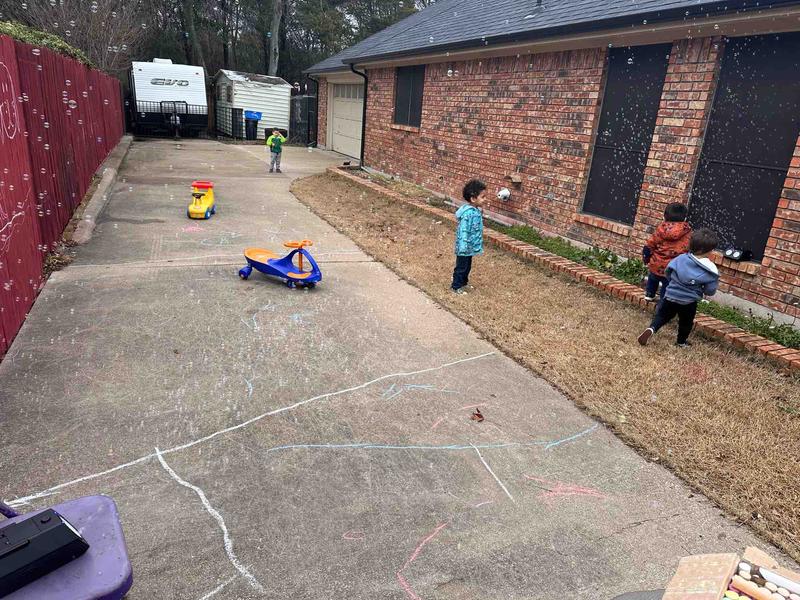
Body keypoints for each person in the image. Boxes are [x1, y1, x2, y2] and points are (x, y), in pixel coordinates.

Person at [637, 228, 720, 348]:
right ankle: (681, 342)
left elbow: (668, 272)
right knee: (685, 322)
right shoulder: (711, 269)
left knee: (662, 316)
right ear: (709, 250)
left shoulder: (681, 258)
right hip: (688, 301)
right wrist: (701, 289)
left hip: (670, 295)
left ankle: (652, 328)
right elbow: (710, 290)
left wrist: (673, 283)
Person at [642, 202, 692, 302]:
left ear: (665, 216)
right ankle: (663, 300)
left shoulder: (660, 229)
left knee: (652, 278)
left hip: (656, 263)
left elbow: (650, 245)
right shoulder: (688, 232)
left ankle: (649, 294)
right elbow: (689, 248)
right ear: (685, 218)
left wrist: (646, 258)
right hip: (673, 267)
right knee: (667, 284)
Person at [452, 179, 487, 294]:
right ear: (473, 199)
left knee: (467, 267)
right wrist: (463, 246)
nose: (485, 199)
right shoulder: (468, 214)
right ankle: (456, 286)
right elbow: (463, 230)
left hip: (470, 246)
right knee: (461, 267)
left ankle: (463, 283)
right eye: (483, 197)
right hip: (464, 246)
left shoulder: (475, 211)